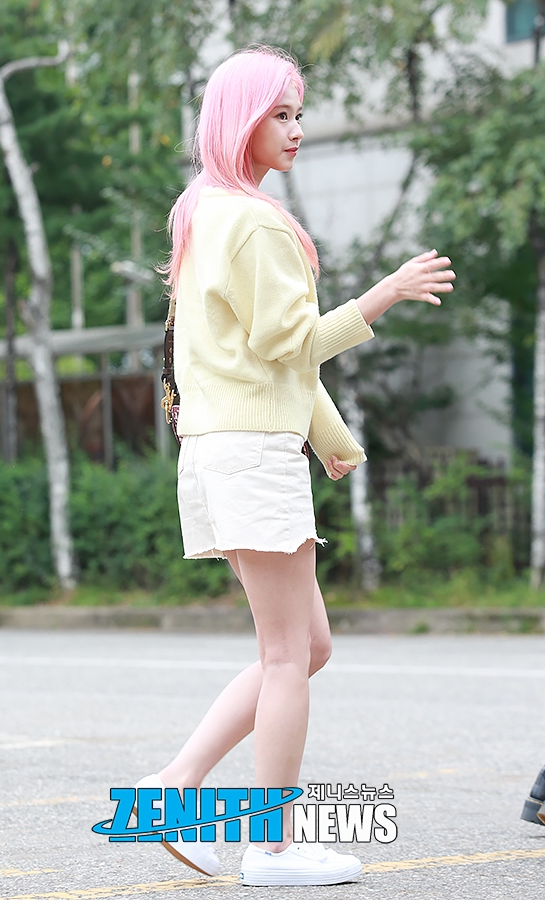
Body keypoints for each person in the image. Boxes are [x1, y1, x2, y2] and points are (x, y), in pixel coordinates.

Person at [136, 46, 455, 887]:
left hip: (223, 452)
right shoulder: (253, 222)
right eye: (280, 113)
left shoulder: (204, 212)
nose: (297, 129)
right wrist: (385, 293)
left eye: (299, 113)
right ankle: (270, 849)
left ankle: (174, 787)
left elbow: (257, 361)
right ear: (238, 119)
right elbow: (294, 345)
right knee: (288, 656)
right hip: (249, 457)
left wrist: (330, 439)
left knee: (307, 646)